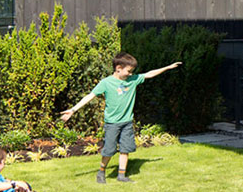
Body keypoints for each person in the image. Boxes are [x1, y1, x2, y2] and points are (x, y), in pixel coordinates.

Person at [60, 53, 182, 183]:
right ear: (118, 68)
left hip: (127, 122)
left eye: (132, 71)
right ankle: (101, 172)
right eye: (128, 71)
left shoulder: (133, 80)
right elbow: (90, 96)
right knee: (109, 150)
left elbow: (149, 74)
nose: (130, 74)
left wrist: (167, 67)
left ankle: (122, 175)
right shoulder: (106, 83)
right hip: (112, 124)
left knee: (125, 149)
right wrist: (73, 110)